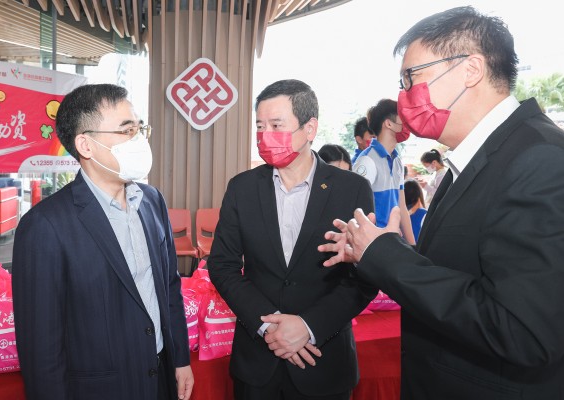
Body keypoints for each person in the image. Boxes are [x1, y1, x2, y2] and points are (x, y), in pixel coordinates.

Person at [320, 6, 564, 400]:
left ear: (471, 70)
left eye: (412, 77)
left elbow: (523, 331)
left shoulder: (541, 159)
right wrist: (376, 253)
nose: (403, 98)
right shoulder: (467, 162)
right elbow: (453, 269)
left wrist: (386, 255)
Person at [12, 84, 193, 400]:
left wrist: (180, 359)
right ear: (86, 145)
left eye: (139, 128)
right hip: (101, 388)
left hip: (161, 375)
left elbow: (168, 288)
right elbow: (41, 346)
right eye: (127, 130)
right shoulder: (44, 226)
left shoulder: (152, 201)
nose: (138, 140)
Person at [208, 79, 377, 400]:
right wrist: (271, 328)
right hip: (258, 361)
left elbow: (363, 278)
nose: (265, 135)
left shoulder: (351, 189)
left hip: (323, 359)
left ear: (309, 128)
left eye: (276, 125)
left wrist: (308, 326)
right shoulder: (242, 188)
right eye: (259, 126)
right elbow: (223, 266)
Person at [353, 99, 415, 244]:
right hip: (373, 245)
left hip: (393, 242)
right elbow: (355, 209)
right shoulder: (367, 160)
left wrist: (413, 245)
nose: (407, 123)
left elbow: (402, 206)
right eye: (402, 118)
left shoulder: (397, 161)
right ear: (388, 124)